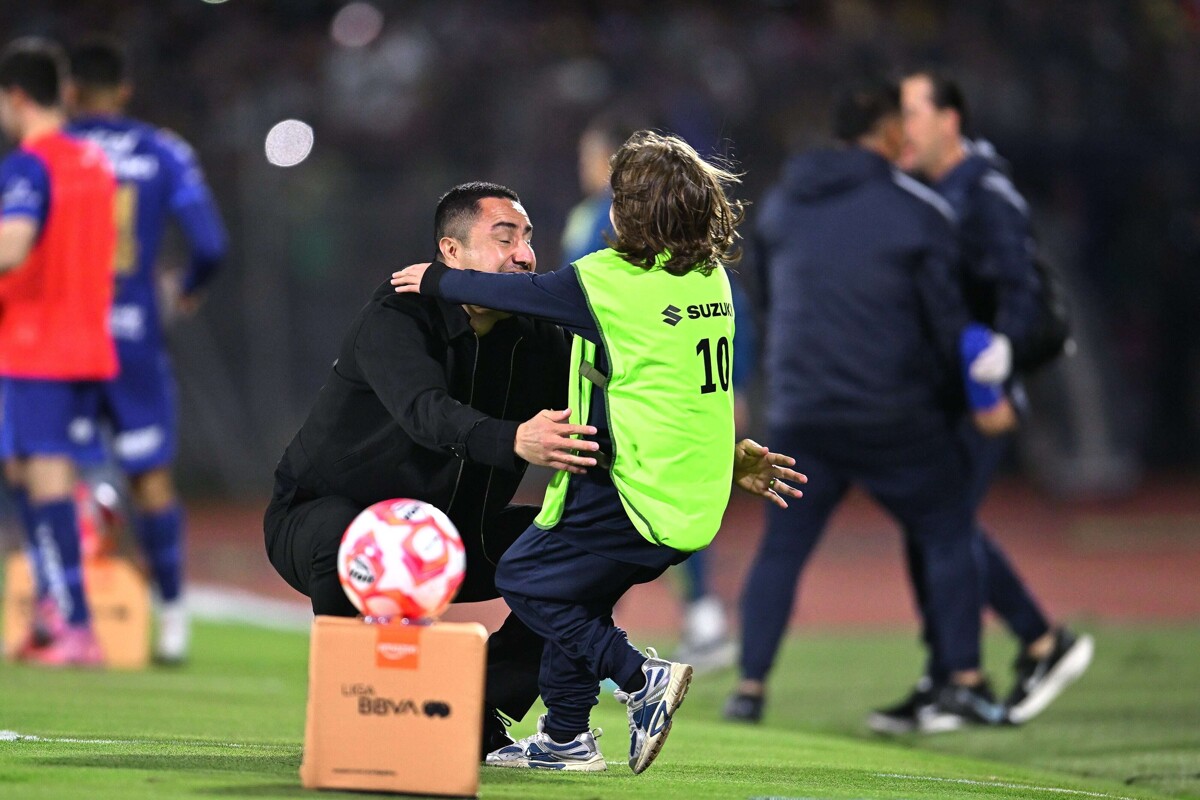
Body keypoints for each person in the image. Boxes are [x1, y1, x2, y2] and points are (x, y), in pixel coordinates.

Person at [393, 131, 805, 775]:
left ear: (628, 212)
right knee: (577, 596)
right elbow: (680, 393)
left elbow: (515, 295)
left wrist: (437, 279)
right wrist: (728, 459)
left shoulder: (609, 282)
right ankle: (566, 736)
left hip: (633, 492)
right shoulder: (714, 280)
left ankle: (640, 679)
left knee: (523, 576)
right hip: (694, 495)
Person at [722, 78, 1009, 729]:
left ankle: (749, 687)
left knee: (782, 546)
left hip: (801, 408)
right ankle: (963, 680)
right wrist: (959, 398)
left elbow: (764, 297)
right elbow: (946, 320)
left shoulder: (784, 203)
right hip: (893, 414)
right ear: (889, 132)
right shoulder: (916, 209)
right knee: (947, 529)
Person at [265, 181, 588, 760]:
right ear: (451, 253)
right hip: (322, 523)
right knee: (350, 536)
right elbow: (426, 414)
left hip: (455, 539)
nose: (524, 255)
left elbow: (613, 407)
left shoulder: (539, 338)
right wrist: (515, 439)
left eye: (528, 238)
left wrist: (721, 457)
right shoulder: (396, 315)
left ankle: (474, 704)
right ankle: (357, 715)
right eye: (505, 238)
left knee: (585, 545)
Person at [868, 68, 1093, 732]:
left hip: (980, 390)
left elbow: (1023, 290)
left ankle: (985, 666)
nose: (902, 127)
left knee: (942, 525)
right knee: (939, 526)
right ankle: (981, 664)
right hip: (940, 392)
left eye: (912, 112)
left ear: (950, 120)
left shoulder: (987, 193)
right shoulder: (932, 191)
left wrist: (1003, 354)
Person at [561, 112, 751, 673]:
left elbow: (576, 301)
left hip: (622, 392)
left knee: (612, 509)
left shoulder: (608, 219)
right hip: (654, 387)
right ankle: (699, 618)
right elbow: (725, 304)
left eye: (589, 157)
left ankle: (597, 637)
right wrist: (732, 381)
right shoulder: (672, 217)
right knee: (666, 496)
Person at [64, 36, 229, 664]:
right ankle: (173, 620)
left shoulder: (52, 149)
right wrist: (187, 289)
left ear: (70, 91)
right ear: (124, 89)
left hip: (64, 336)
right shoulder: (162, 150)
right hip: (133, 334)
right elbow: (210, 244)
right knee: (152, 477)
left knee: (55, 472)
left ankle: (66, 614)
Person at [0, 37, 117, 666]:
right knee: (27, 470)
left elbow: (13, 245)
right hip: (86, 341)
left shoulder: (28, 165)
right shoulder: (94, 162)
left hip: (35, 343)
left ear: (16, 97)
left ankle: (74, 622)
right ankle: (53, 608)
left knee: (43, 474)